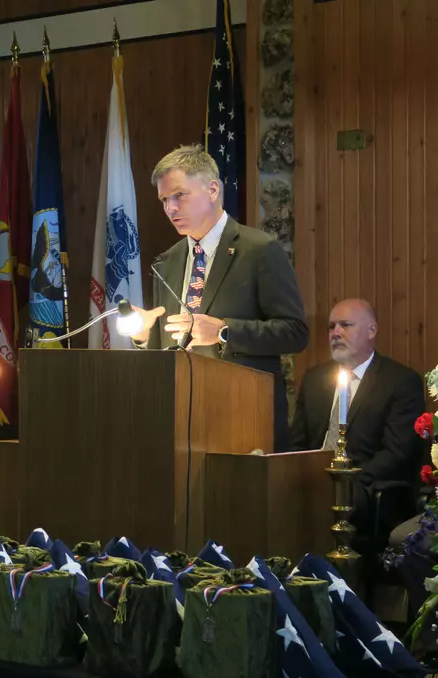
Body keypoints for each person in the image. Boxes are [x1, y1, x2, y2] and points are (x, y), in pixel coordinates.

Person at [130, 145, 308, 451]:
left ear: (212, 190)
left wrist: (224, 331)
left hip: (243, 415)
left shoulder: (259, 250)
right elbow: (171, 344)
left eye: (179, 196)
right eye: (163, 200)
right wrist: (144, 336)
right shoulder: (166, 262)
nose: (170, 208)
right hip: (180, 418)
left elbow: (295, 332)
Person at [290, 299, 425, 552]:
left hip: (365, 484)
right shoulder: (314, 379)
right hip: (310, 478)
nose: (336, 333)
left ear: (371, 331)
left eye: (346, 325)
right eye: (331, 327)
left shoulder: (400, 382)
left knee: (329, 502)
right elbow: (297, 441)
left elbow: (397, 453)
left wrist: (345, 481)